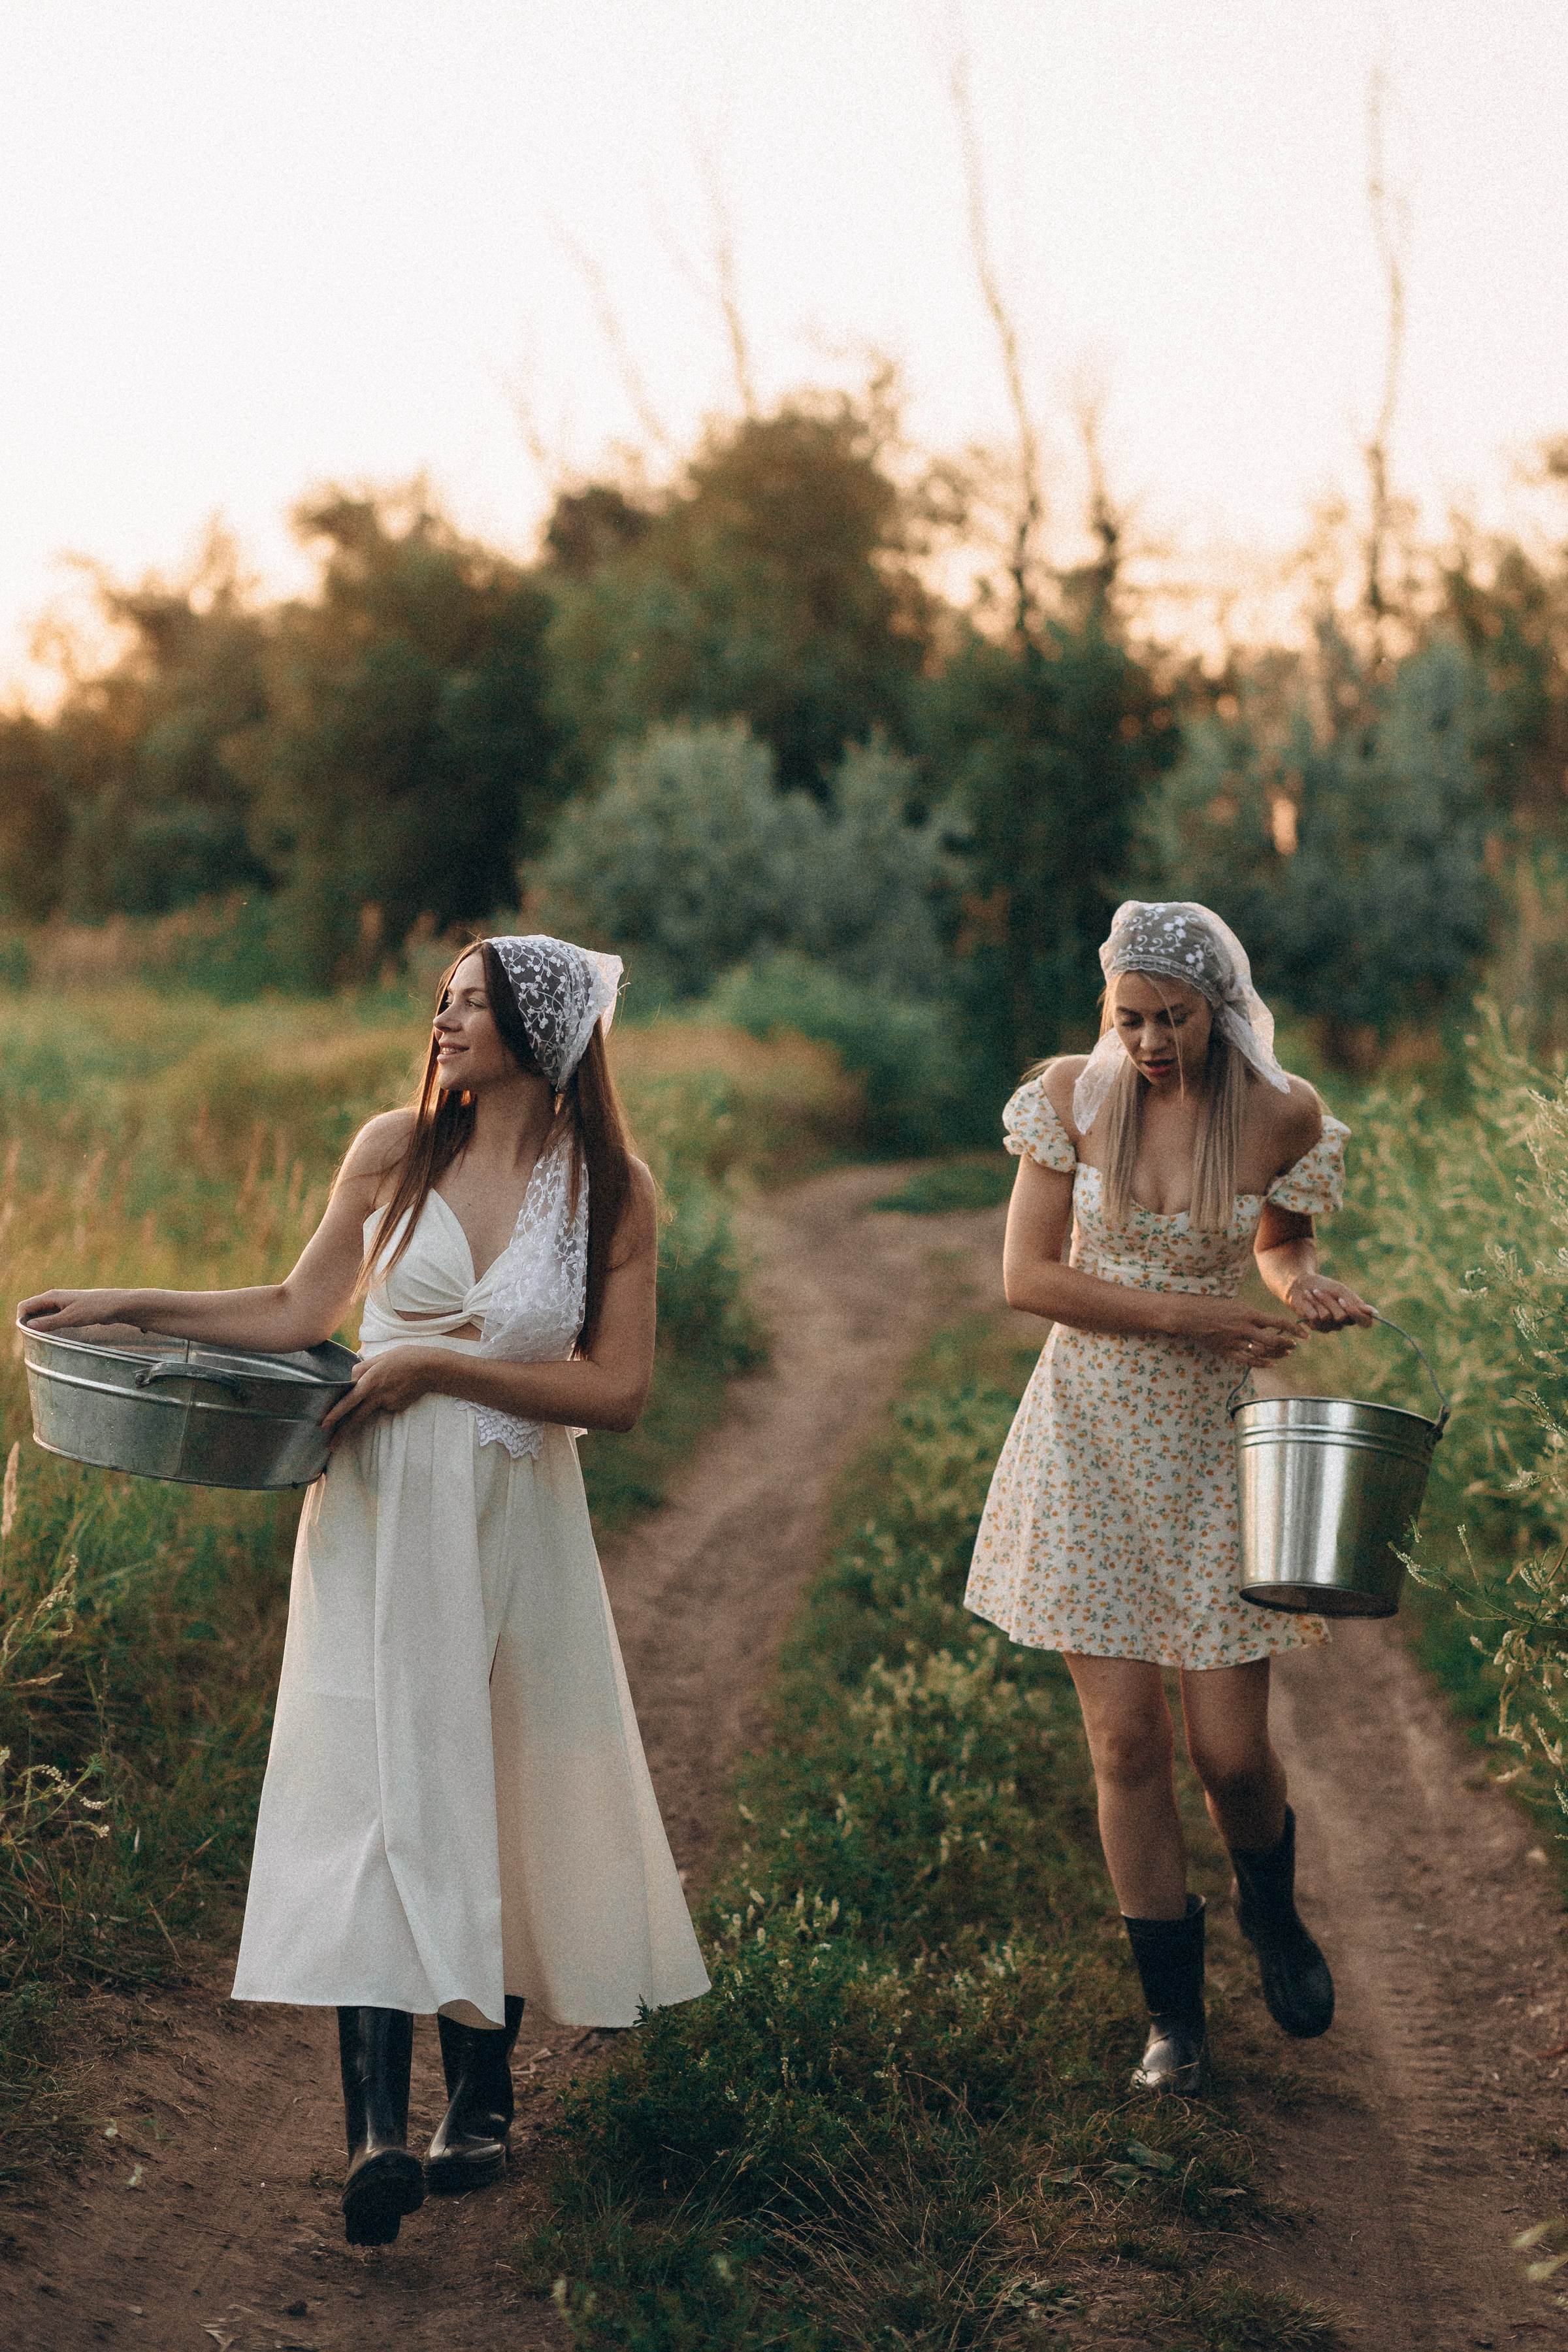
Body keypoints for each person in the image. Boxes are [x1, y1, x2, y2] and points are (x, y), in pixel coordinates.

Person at [20, 934, 709, 2244]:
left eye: (473, 1002)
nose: (443, 1018)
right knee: (382, 1783)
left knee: (493, 1781)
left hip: (515, 1514)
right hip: (381, 1510)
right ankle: (378, 2137)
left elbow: (614, 1394)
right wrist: (131, 1307)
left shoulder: (613, 1188)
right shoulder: (395, 1148)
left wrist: (440, 1370)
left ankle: (482, 2100)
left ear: (543, 1031)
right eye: (440, 997)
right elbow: (295, 1307)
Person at [966, 901, 1373, 2096]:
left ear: (1222, 1011)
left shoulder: (1281, 1114)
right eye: (1127, 1018)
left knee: (1231, 1754)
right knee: (1124, 1737)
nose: (1147, 1042)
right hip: (1086, 1429)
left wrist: (1304, 1285)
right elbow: (1028, 1277)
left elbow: (1278, 1246)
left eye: (1172, 1019)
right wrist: (1200, 1319)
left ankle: (1273, 1912)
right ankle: (1175, 2023)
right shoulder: (1069, 1098)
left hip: (1210, 1447)